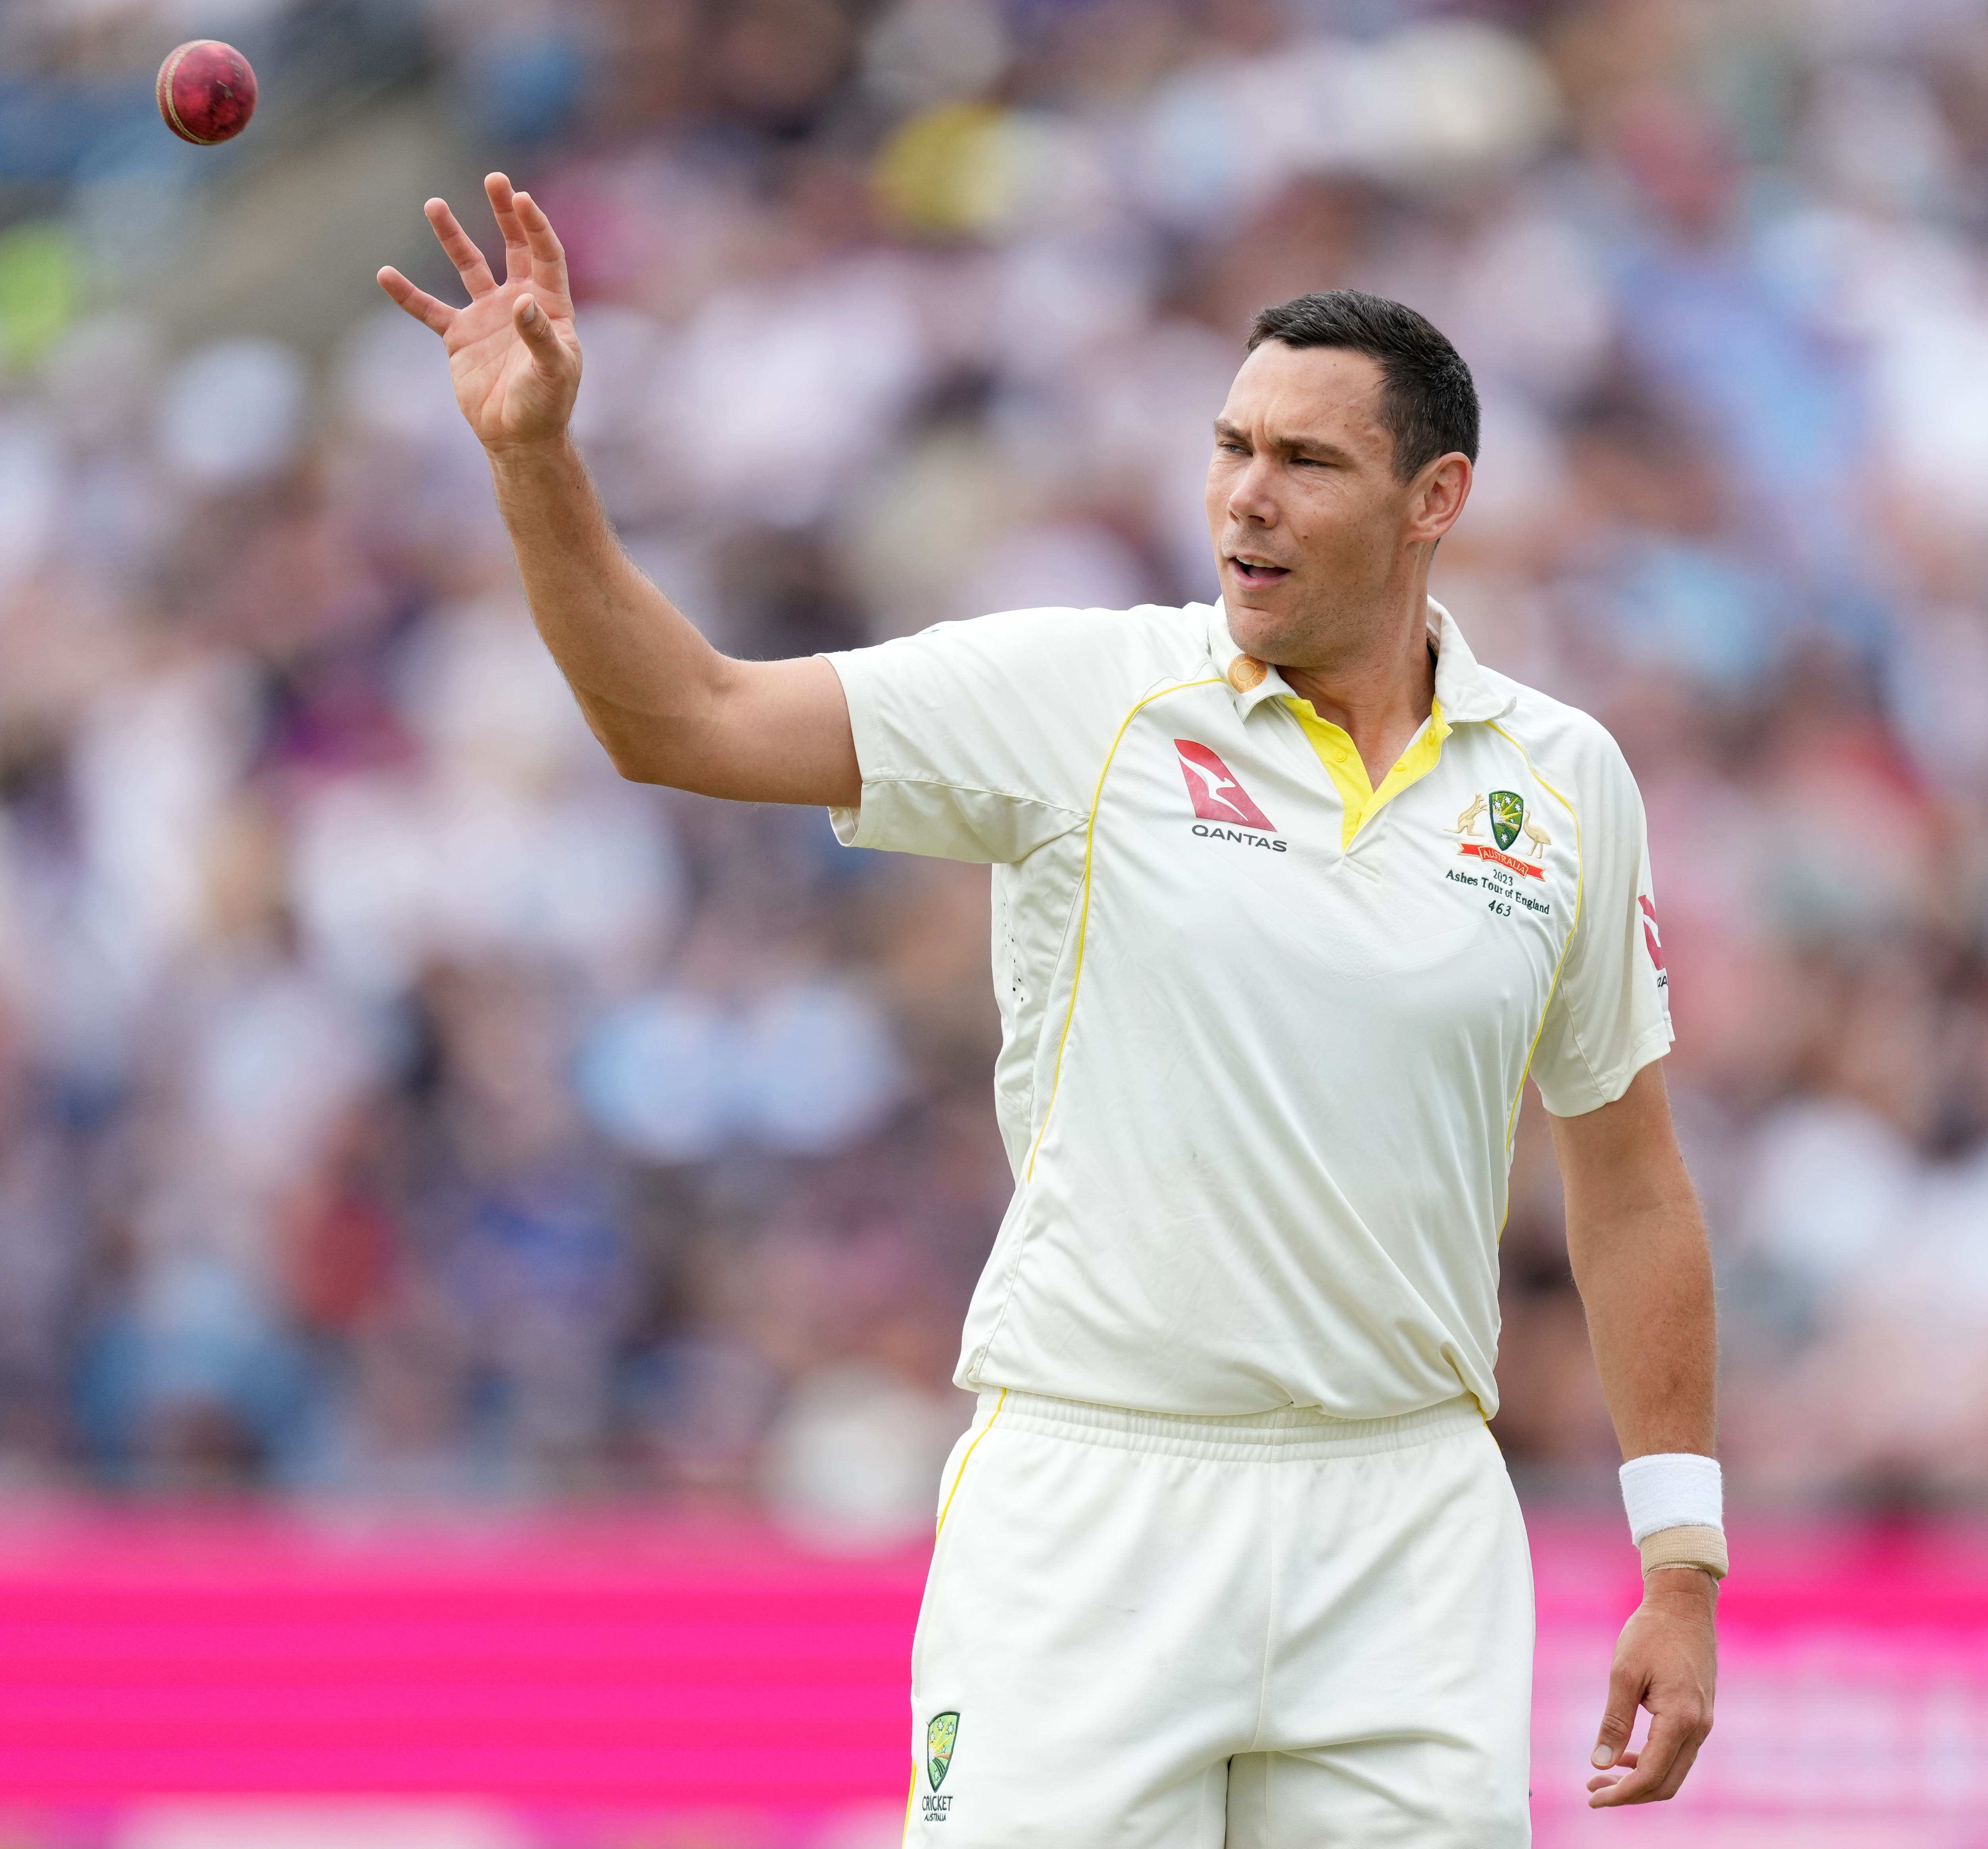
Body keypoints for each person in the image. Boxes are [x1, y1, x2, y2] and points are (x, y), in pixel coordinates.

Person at [379, 173, 1723, 1846]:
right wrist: (533, 460)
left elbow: (1631, 1177)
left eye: (1305, 462)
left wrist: (1678, 1550)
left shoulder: (1562, 777)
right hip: (1096, 1496)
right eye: (1229, 448)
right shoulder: (1088, 696)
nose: (1246, 496)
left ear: (1433, 496)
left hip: (1408, 1517)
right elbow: (690, 717)